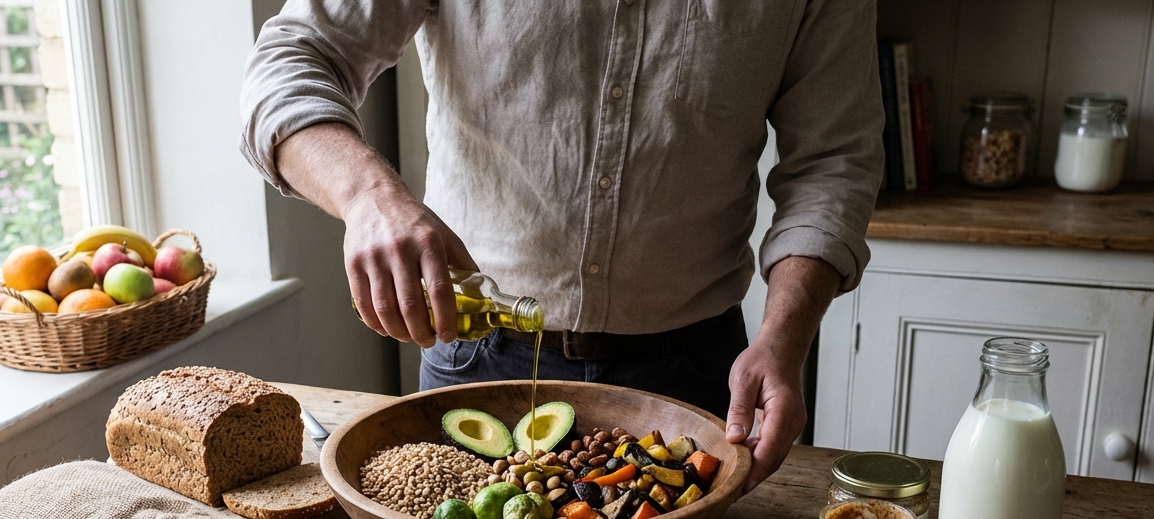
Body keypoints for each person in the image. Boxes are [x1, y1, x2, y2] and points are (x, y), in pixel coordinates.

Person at [241, 1, 884, 490]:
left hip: (694, 376)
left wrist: (785, 338)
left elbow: (835, 160)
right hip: (477, 356)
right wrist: (370, 199)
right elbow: (292, 59)